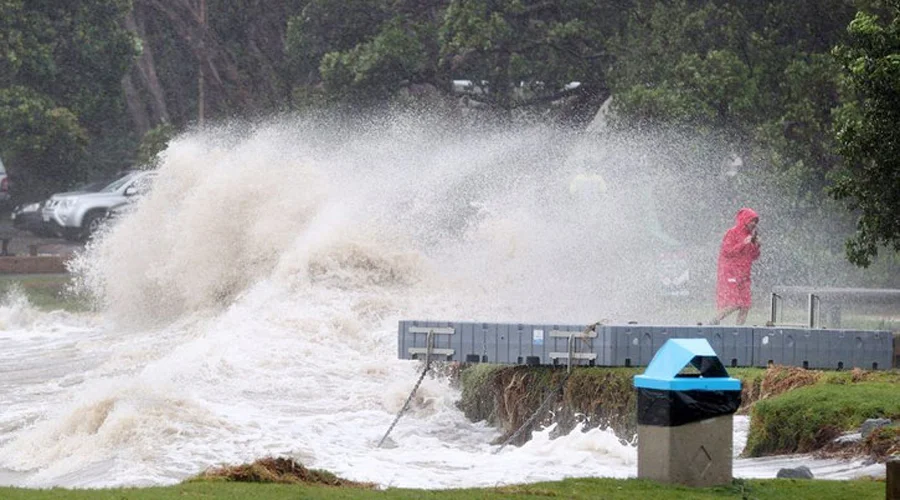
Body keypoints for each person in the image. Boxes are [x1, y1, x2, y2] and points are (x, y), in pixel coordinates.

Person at [710, 207, 760, 325]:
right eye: (752, 220)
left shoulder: (750, 236)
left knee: (745, 305)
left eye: (755, 222)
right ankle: (713, 321)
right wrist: (744, 243)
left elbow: (754, 257)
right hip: (731, 273)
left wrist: (757, 245)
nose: (754, 224)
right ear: (744, 220)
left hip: (744, 275)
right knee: (735, 303)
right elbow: (727, 251)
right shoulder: (732, 233)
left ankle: (739, 331)